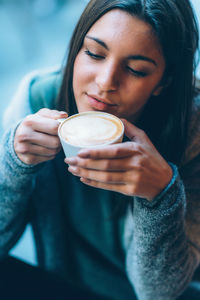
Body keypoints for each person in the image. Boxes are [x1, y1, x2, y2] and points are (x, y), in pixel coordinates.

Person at [0, 0, 200, 299]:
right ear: (76, 48)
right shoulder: (38, 98)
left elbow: (158, 293)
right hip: (62, 283)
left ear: (164, 82)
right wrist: (13, 164)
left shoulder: (192, 135)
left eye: (135, 69)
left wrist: (160, 197)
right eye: (94, 53)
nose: (105, 82)